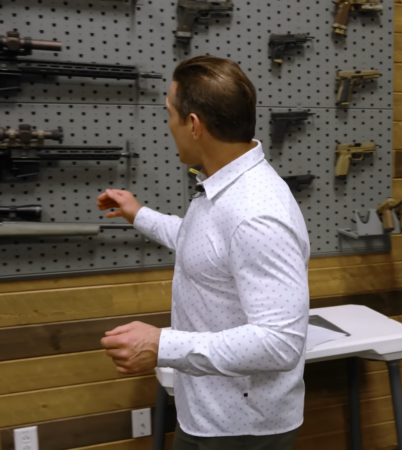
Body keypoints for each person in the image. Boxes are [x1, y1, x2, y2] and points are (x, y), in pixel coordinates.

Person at [97, 56, 310, 450]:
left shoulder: (256, 212)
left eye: (170, 114)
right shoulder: (224, 188)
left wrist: (162, 346)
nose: (168, 126)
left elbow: (280, 341)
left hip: (243, 429)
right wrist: (139, 214)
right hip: (210, 416)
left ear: (193, 125)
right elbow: (208, 250)